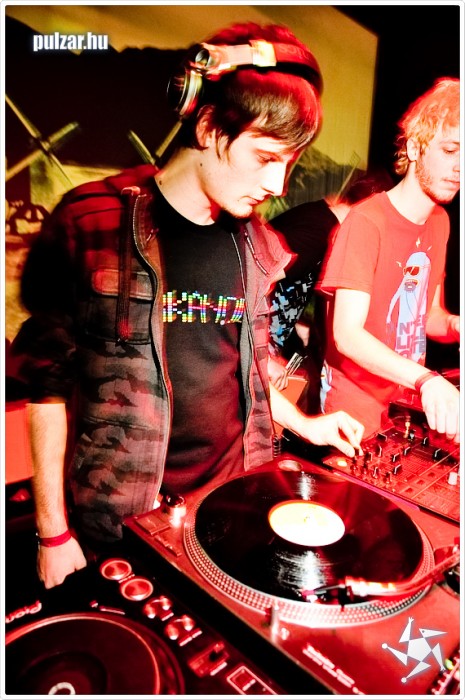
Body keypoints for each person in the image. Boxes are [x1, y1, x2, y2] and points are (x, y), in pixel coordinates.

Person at [12, 22, 364, 590]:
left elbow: (245, 372)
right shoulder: (91, 221)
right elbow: (48, 389)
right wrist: (52, 534)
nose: (278, 184)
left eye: (289, 164)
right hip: (124, 524)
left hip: (229, 510)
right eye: (265, 157)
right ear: (206, 126)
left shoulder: (259, 246)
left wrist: (304, 423)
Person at [315, 77, 460, 441]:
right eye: (449, 150)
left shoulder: (440, 222)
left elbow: (428, 315)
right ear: (414, 148)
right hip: (353, 411)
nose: (460, 167)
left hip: (403, 403)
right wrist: (426, 380)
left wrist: (457, 325)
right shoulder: (366, 222)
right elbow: (347, 335)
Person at [267, 170, 394, 407]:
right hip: (252, 347)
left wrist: (299, 326)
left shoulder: (323, 222)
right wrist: (261, 353)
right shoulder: (317, 234)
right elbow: (252, 279)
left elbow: (288, 282)